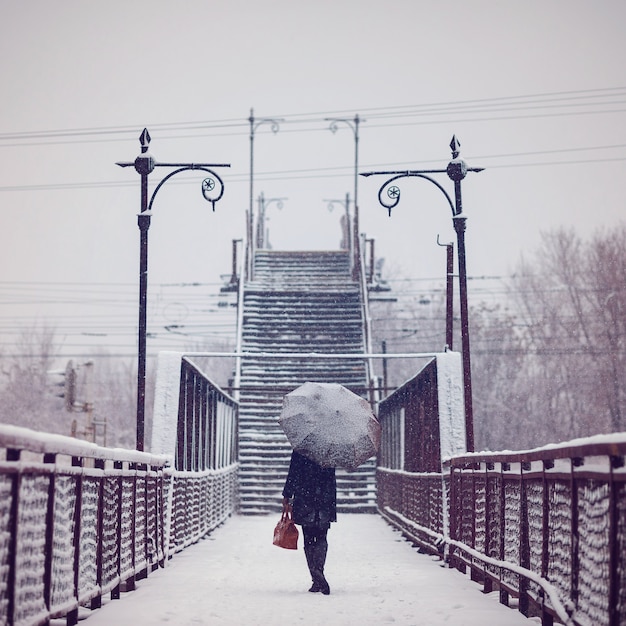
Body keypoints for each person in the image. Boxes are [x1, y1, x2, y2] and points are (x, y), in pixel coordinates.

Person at [282, 450, 336, 595]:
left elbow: (293, 473)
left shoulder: (301, 448)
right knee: (322, 537)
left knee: (309, 538)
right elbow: (331, 477)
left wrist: (287, 494)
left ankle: (316, 576)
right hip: (324, 498)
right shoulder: (330, 448)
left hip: (305, 496)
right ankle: (319, 573)